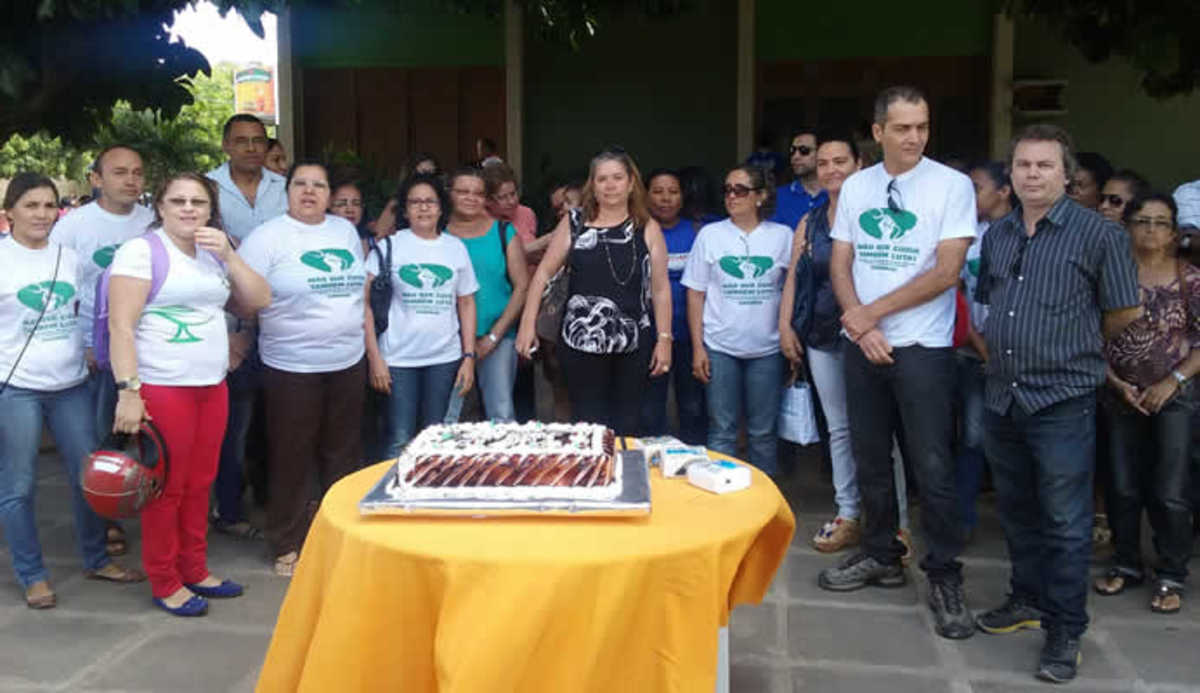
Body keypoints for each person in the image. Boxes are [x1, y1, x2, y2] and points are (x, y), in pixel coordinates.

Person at [973, 124, 1141, 683]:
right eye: (1023, 165)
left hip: (1063, 398)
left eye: (1044, 165)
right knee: (1017, 511)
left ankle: (1065, 630)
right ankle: (1026, 598)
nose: (1032, 174)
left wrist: (1072, 344)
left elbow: (1122, 312)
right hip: (1003, 394)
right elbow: (990, 303)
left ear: (1066, 175)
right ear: (1011, 174)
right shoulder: (997, 235)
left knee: (1066, 522)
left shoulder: (1099, 236)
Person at [816, 86, 977, 642]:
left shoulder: (951, 186)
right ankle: (881, 553)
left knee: (932, 464)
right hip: (865, 346)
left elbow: (946, 271)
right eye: (903, 128)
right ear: (878, 130)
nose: (914, 137)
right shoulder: (858, 185)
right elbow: (842, 259)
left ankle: (944, 574)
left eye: (923, 127)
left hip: (922, 349)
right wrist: (859, 323)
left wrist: (868, 316)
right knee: (870, 458)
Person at [108, 173, 269, 615]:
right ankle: (164, 579)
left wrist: (231, 257)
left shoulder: (212, 253)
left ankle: (194, 568)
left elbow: (258, 299)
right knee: (167, 487)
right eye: (177, 200)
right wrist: (129, 391)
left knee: (200, 484)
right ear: (159, 206)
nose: (188, 208)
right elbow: (121, 326)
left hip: (211, 385)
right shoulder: (140, 252)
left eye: (198, 201)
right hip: (162, 387)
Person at [0, 173, 145, 610]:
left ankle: (97, 557)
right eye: (31, 206)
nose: (42, 214)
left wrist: (88, 349)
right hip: (16, 388)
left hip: (71, 386)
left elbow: (86, 309)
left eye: (48, 206)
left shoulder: (69, 257)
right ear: (9, 214)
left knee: (90, 477)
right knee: (19, 486)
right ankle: (32, 574)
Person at [780, 134, 912, 552]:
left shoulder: (879, 215)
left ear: (859, 164)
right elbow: (795, 278)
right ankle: (849, 512)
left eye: (840, 161)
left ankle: (897, 522)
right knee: (838, 428)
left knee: (879, 432)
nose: (831, 169)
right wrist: (786, 326)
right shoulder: (811, 221)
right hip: (821, 333)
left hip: (871, 333)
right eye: (823, 163)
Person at [237, 161, 369, 577]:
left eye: (319, 185)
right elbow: (240, 296)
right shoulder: (266, 238)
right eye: (301, 184)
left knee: (342, 453)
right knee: (291, 456)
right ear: (287, 190)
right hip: (291, 366)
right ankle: (288, 542)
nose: (309, 192)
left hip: (347, 361)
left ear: (330, 194)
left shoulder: (344, 232)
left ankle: (339, 534)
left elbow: (356, 291)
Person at [516, 149, 672, 435]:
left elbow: (660, 288)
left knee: (628, 424)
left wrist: (665, 339)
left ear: (630, 182)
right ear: (593, 184)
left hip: (633, 343)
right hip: (580, 343)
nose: (610, 185)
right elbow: (543, 273)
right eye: (602, 179)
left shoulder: (647, 227)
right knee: (588, 425)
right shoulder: (574, 223)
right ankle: (594, 476)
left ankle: (624, 477)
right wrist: (528, 325)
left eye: (617, 178)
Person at [1094, 193, 1199, 614]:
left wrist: (1171, 382)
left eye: (1160, 222)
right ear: (1128, 228)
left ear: (1174, 232)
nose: (1150, 230)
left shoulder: (1190, 279)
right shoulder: (1111, 276)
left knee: (1171, 489)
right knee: (1121, 484)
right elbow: (1091, 336)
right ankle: (1126, 563)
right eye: (1142, 221)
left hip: (1175, 395)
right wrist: (1117, 383)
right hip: (1122, 394)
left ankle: (1171, 572)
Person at [51, 144, 153, 556]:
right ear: (96, 179)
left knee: (146, 438)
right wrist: (85, 344)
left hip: (148, 349)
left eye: (137, 172)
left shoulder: (152, 222)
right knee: (98, 441)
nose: (130, 180)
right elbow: (59, 293)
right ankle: (103, 517)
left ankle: (148, 506)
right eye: (119, 172)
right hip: (95, 351)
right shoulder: (73, 227)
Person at [206, 114, 289, 541]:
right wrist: (232, 330)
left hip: (280, 317)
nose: (251, 148)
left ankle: (271, 495)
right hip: (231, 319)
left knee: (273, 417)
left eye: (258, 141)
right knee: (232, 424)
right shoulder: (207, 189)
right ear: (226, 146)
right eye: (241, 141)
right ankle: (229, 505)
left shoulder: (284, 186)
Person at [682, 165, 790, 475]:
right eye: (727, 189)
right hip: (720, 347)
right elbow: (696, 294)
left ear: (761, 196)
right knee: (722, 431)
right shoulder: (710, 235)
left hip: (768, 349)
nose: (731, 196)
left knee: (764, 434)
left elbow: (793, 289)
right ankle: (723, 504)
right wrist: (698, 348)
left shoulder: (782, 236)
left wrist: (788, 336)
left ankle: (765, 510)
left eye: (740, 190)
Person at [365, 173, 478, 454]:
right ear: (405, 209)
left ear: (441, 207)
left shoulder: (455, 248)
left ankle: (431, 496)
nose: (423, 207)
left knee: (437, 440)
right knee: (399, 439)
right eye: (415, 202)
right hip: (397, 359)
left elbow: (466, 303)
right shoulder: (388, 246)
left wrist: (469, 357)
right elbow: (362, 304)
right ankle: (392, 497)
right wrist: (375, 359)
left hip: (445, 357)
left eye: (430, 201)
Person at [444, 168, 529, 423]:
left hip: (498, 336)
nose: (471, 198)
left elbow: (522, 287)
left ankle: (504, 464)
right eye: (463, 191)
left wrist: (493, 336)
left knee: (501, 415)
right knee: (450, 417)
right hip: (448, 340)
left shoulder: (503, 232)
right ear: (449, 194)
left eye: (478, 193)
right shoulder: (437, 234)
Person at [956, 161, 1012, 536]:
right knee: (972, 435)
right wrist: (979, 343)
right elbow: (955, 290)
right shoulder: (967, 233)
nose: (968, 195)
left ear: (1004, 191)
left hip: (1017, 355)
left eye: (976, 187)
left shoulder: (1023, 232)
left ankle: (1019, 521)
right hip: (973, 351)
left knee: (1014, 440)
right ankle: (960, 521)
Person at [639, 169, 706, 444]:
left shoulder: (698, 232)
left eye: (673, 191)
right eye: (658, 191)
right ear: (645, 195)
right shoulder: (639, 231)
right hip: (650, 335)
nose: (666, 198)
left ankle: (695, 465)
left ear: (682, 196)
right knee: (650, 409)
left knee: (692, 407)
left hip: (692, 334)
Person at [772, 128, 829, 230]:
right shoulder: (777, 197)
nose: (795, 156)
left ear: (822, 153)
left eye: (804, 151)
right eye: (792, 151)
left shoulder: (837, 195)